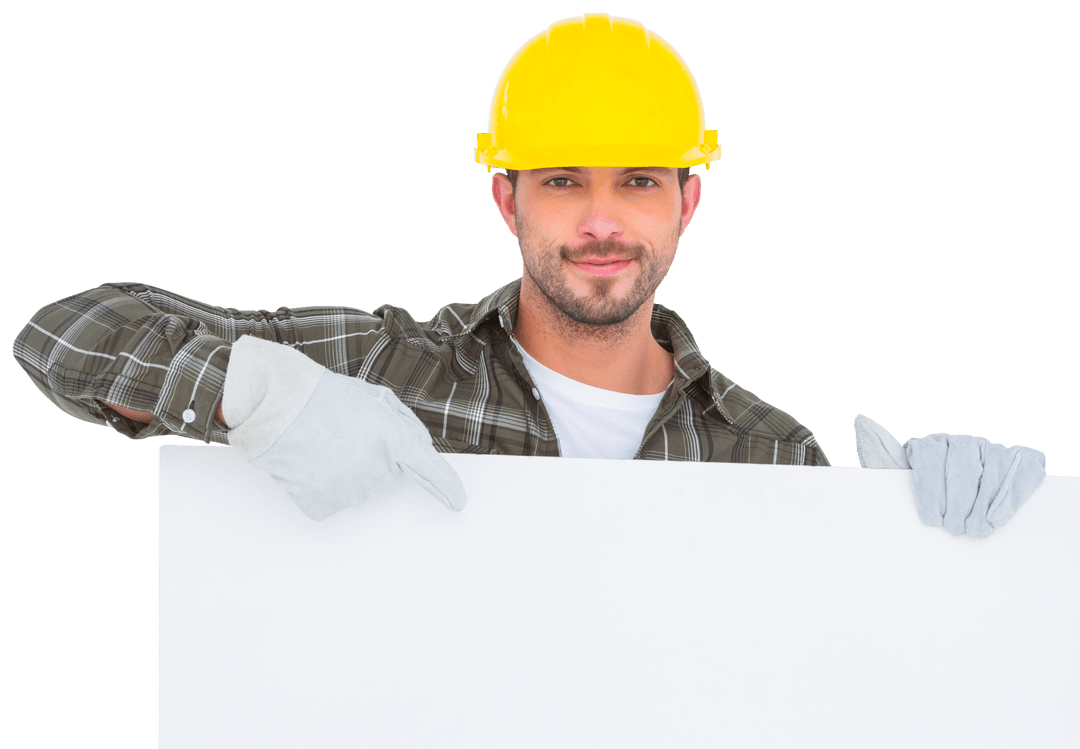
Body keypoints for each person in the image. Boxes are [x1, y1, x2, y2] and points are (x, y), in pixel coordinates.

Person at [10, 12, 1044, 535]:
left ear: (687, 202)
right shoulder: (382, 365)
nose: (601, 220)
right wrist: (257, 393)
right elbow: (65, 332)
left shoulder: (773, 454)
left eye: (639, 180)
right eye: (561, 180)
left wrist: (932, 544)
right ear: (507, 199)